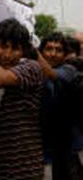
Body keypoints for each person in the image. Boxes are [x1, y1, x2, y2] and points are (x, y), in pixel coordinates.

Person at [0, 18, 45, 180]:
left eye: (15, 48)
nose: (7, 54)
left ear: (23, 51)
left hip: (24, 170)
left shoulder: (31, 68)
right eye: (3, 46)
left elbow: (1, 79)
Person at [38, 32, 83, 180]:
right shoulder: (32, 72)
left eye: (58, 50)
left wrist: (33, 54)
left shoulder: (69, 71)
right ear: (42, 50)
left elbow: (52, 74)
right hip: (44, 148)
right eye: (49, 49)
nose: (53, 54)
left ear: (65, 54)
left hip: (70, 146)